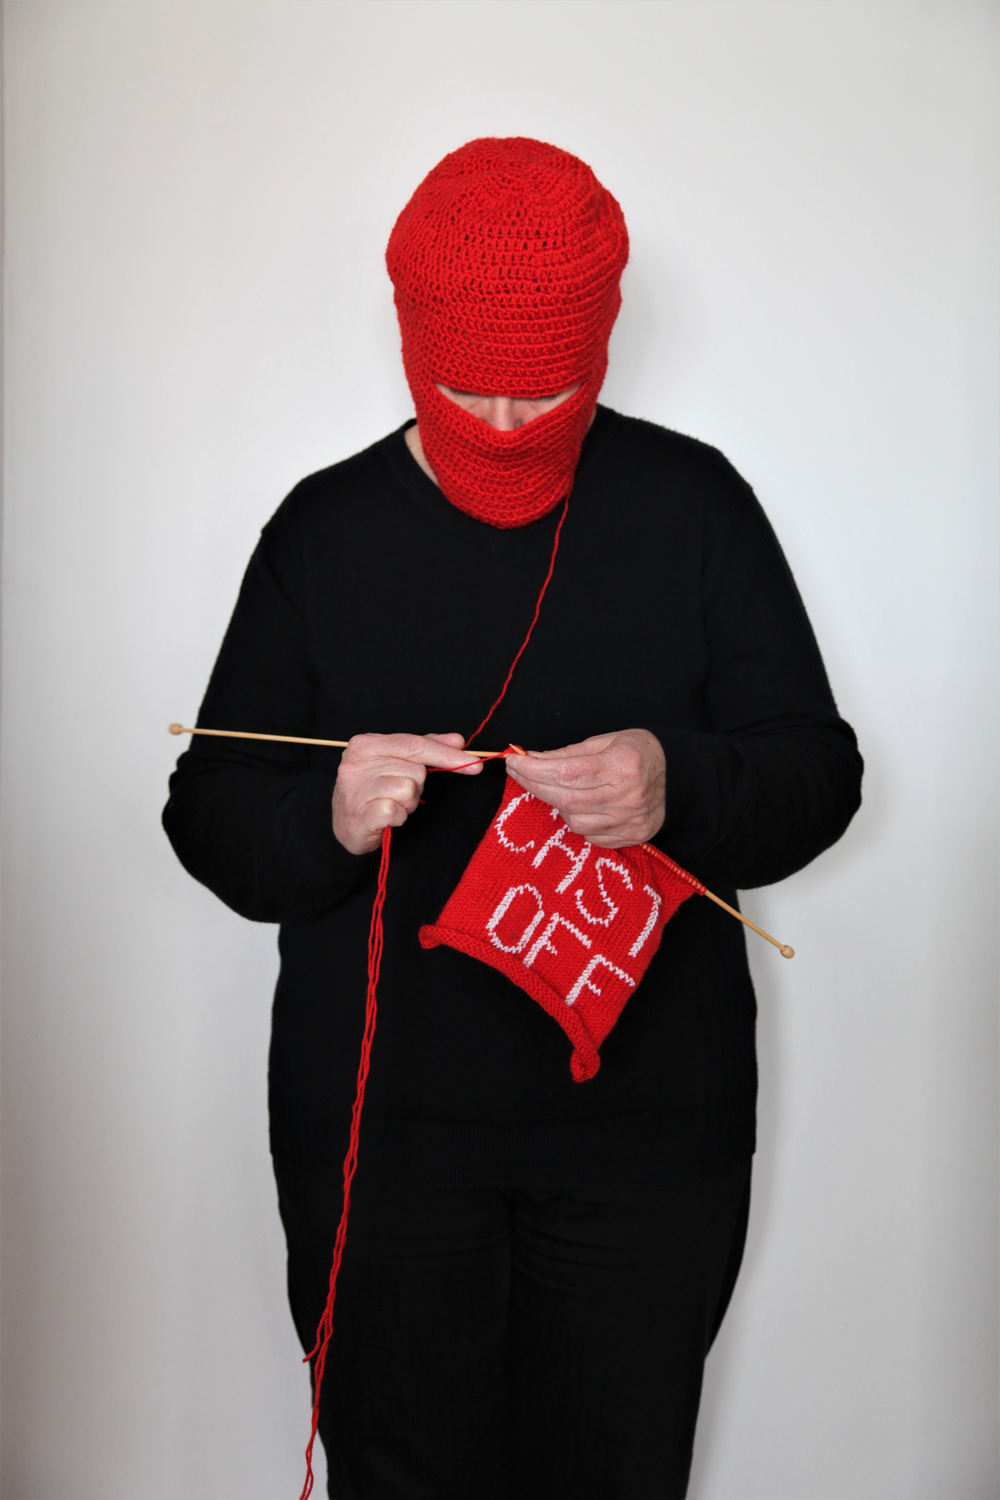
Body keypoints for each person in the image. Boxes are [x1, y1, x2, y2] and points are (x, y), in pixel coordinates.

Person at [163, 138, 863, 1499]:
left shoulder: (694, 505)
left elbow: (818, 777)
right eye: (464, 390)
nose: (501, 426)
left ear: (599, 348)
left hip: (649, 1150)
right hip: (383, 1147)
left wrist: (680, 782)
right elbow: (208, 814)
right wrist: (330, 816)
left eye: (541, 390)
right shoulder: (321, 532)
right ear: (411, 349)